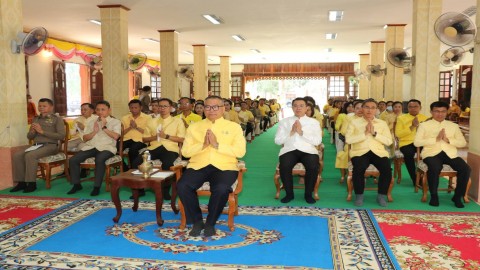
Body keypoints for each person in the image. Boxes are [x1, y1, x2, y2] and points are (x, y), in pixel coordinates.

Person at [177, 95, 246, 237]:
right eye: (207, 107)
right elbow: (185, 152)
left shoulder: (234, 127)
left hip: (225, 165)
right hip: (198, 165)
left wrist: (216, 145)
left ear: (223, 108)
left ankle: (210, 223)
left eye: (216, 107)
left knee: (221, 188)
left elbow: (240, 151)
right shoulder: (194, 127)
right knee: (182, 185)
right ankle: (197, 221)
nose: (211, 110)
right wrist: (203, 145)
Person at [414, 101, 470, 208]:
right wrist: (435, 139)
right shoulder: (424, 125)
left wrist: (448, 140)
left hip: (450, 153)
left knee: (465, 169)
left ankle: (457, 196)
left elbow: (462, 143)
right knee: (434, 167)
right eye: (437, 111)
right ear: (431, 112)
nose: (440, 114)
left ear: (447, 112)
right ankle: (434, 196)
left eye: (443, 111)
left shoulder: (453, 126)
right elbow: (417, 142)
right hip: (431, 153)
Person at [131, 98, 186, 199]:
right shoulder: (151, 121)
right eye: (160, 106)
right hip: (154, 147)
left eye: (165, 106)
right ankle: (140, 189)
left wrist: (166, 136)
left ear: (171, 108)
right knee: (137, 162)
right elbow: (144, 139)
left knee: (168, 163)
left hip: (170, 148)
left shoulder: (178, 121)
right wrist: (155, 137)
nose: (162, 108)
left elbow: (182, 139)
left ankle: (164, 190)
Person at [10, 98, 66, 193]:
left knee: (30, 156)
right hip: (36, 145)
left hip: (51, 146)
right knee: (17, 155)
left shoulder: (57, 119)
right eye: (40, 106)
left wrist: (42, 132)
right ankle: (21, 183)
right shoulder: (36, 119)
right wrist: (32, 131)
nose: (41, 108)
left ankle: (32, 183)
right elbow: (29, 136)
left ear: (51, 107)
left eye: (44, 106)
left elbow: (61, 136)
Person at [67, 100, 121, 196]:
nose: (100, 112)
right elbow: (85, 138)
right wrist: (94, 132)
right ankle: (76, 184)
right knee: (73, 160)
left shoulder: (115, 122)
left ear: (109, 110)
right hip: (91, 146)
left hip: (107, 148)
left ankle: (97, 187)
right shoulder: (92, 121)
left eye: (103, 110)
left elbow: (116, 136)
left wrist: (104, 127)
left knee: (99, 159)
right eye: (98, 109)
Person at [345, 99, 393, 207]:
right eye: (367, 107)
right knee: (358, 168)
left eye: (372, 108)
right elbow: (348, 139)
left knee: (386, 168)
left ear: (376, 110)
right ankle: (359, 195)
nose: (369, 110)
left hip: (378, 152)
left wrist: (374, 134)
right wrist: (365, 133)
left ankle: (381, 195)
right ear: (362, 108)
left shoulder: (382, 123)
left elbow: (389, 141)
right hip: (360, 152)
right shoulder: (354, 122)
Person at [274, 97, 322, 204]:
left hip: (308, 150)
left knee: (313, 166)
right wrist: (291, 133)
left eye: (301, 106)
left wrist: (301, 132)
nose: (298, 108)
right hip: (289, 149)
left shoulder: (314, 122)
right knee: (285, 165)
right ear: (292, 108)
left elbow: (317, 141)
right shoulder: (284, 122)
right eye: (295, 106)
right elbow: (277, 141)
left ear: (306, 108)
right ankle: (289, 194)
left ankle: (308, 194)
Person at [395, 99, 428, 186]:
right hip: (406, 143)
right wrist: (412, 127)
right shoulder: (401, 118)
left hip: (422, 143)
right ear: (407, 108)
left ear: (420, 107)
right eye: (410, 107)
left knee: (430, 153)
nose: (413, 109)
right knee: (408, 154)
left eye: (415, 107)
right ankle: (415, 178)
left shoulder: (425, 118)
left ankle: (426, 175)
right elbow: (398, 134)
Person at [121, 99, 150, 170]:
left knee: (133, 150)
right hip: (126, 139)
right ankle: (125, 168)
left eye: (136, 108)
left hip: (140, 140)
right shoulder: (124, 118)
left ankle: (133, 169)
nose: (133, 110)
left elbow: (148, 133)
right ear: (129, 108)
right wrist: (130, 127)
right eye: (131, 108)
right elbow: (121, 133)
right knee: (114, 149)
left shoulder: (148, 118)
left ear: (141, 108)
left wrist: (136, 127)